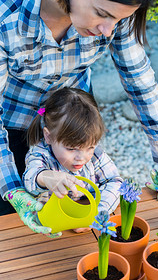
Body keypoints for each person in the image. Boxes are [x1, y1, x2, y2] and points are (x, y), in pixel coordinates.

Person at [0, 0, 158, 236]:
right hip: (9, 129)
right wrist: (14, 191)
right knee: (12, 227)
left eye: (118, 20)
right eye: (101, 13)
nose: (108, 31)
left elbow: (139, 79)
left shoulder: (113, 16)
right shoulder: (5, 15)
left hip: (74, 119)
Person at [22, 87, 122, 235]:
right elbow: (31, 177)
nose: (81, 157)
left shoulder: (95, 154)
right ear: (48, 136)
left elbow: (115, 181)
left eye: (90, 147)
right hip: (47, 227)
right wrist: (45, 176)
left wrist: (97, 214)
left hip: (83, 224)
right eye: (71, 148)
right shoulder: (40, 153)